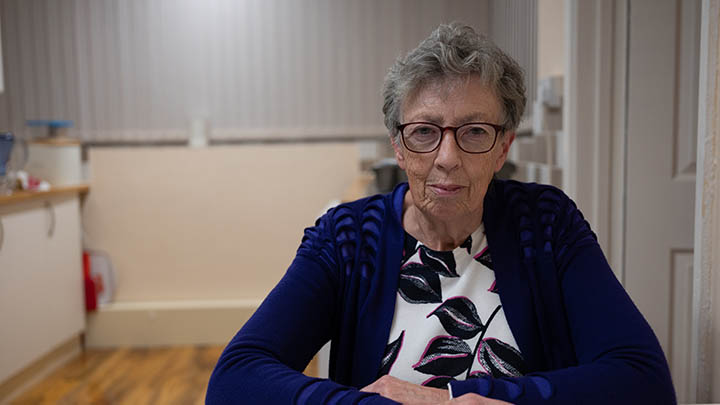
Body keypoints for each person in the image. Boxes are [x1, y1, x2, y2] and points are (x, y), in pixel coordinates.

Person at [206, 23, 675, 405]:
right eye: (425, 131)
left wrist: (456, 398)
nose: (447, 157)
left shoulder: (546, 224)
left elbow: (642, 380)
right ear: (399, 146)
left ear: (503, 147)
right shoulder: (347, 238)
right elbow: (236, 379)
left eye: (473, 132)